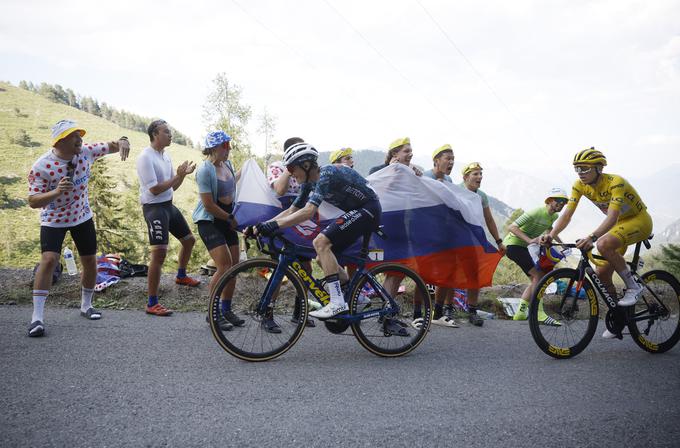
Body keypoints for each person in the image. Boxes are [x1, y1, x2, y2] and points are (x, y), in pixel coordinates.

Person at [253, 142, 381, 320]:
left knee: (320, 243)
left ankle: (336, 303)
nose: (290, 173)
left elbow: (308, 212)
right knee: (321, 255)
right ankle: (356, 294)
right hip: (357, 211)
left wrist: (275, 226)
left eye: (291, 168)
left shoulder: (326, 174)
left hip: (369, 209)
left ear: (306, 165)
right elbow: (292, 210)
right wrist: (262, 225)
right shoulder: (309, 183)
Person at [26, 119, 130, 337]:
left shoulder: (86, 151)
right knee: (49, 260)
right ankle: (37, 318)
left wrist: (123, 141)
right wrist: (55, 192)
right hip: (53, 219)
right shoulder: (42, 166)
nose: (80, 140)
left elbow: (113, 144)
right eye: (75, 136)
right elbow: (33, 200)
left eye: (80, 135)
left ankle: (86, 306)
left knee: (90, 261)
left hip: (82, 216)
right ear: (61, 141)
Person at [543, 148, 653, 338]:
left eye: (585, 169)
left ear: (599, 168)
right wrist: (552, 235)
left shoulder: (615, 182)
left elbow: (611, 217)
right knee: (602, 274)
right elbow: (567, 214)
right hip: (620, 226)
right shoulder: (579, 185)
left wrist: (592, 237)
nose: (580, 174)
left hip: (639, 221)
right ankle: (619, 319)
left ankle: (633, 286)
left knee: (602, 244)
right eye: (577, 169)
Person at [137, 119, 199, 317]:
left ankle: (181, 276)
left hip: (168, 206)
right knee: (159, 255)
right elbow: (154, 189)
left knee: (189, 240)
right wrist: (177, 176)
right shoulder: (145, 157)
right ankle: (152, 302)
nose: (170, 135)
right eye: (166, 132)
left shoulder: (166, 156)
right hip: (154, 209)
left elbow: (172, 186)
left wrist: (182, 176)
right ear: (155, 134)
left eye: (170, 132)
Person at [192, 130, 244, 331]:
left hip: (227, 218)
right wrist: (230, 218)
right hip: (210, 221)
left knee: (234, 266)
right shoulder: (205, 171)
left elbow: (232, 184)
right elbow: (208, 205)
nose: (228, 149)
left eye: (229, 145)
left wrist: (247, 169)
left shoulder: (227, 165)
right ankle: (212, 313)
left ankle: (226, 309)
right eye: (225, 146)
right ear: (214, 148)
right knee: (224, 266)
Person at [265, 137, 316, 329]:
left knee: (306, 269)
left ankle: (299, 312)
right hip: (282, 216)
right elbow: (279, 190)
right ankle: (267, 314)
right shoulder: (276, 167)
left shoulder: (307, 170)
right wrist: (289, 168)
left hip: (301, 217)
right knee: (279, 269)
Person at [503, 187, 568, 324]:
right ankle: (539, 314)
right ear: (550, 201)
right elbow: (512, 227)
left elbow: (552, 232)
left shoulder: (554, 216)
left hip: (523, 247)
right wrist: (530, 240)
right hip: (513, 246)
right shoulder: (536, 212)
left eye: (564, 202)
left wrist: (563, 245)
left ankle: (520, 313)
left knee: (535, 279)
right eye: (559, 201)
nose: (562, 204)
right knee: (539, 276)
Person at [459, 162, 506, 326]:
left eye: (480, 174)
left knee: (474, 275)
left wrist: (499, 241)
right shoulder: (456, 190)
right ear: (465, 177)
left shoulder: (482, 196)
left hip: (474, 241)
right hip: (456, 239)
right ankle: (446, 309)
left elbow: (489, 220)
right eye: (475, 174)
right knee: (450, 274)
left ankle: (471, 311)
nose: (479, 177)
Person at [423, 144, 459, 327]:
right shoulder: (426, 176)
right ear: (437, 160)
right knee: (424, 272)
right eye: (448, 158)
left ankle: (437, 312)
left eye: (453, 159)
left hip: (445, 231)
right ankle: (419, 313)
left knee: (448, 270)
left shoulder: (450, 180)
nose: (451, 162)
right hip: (427, 231)